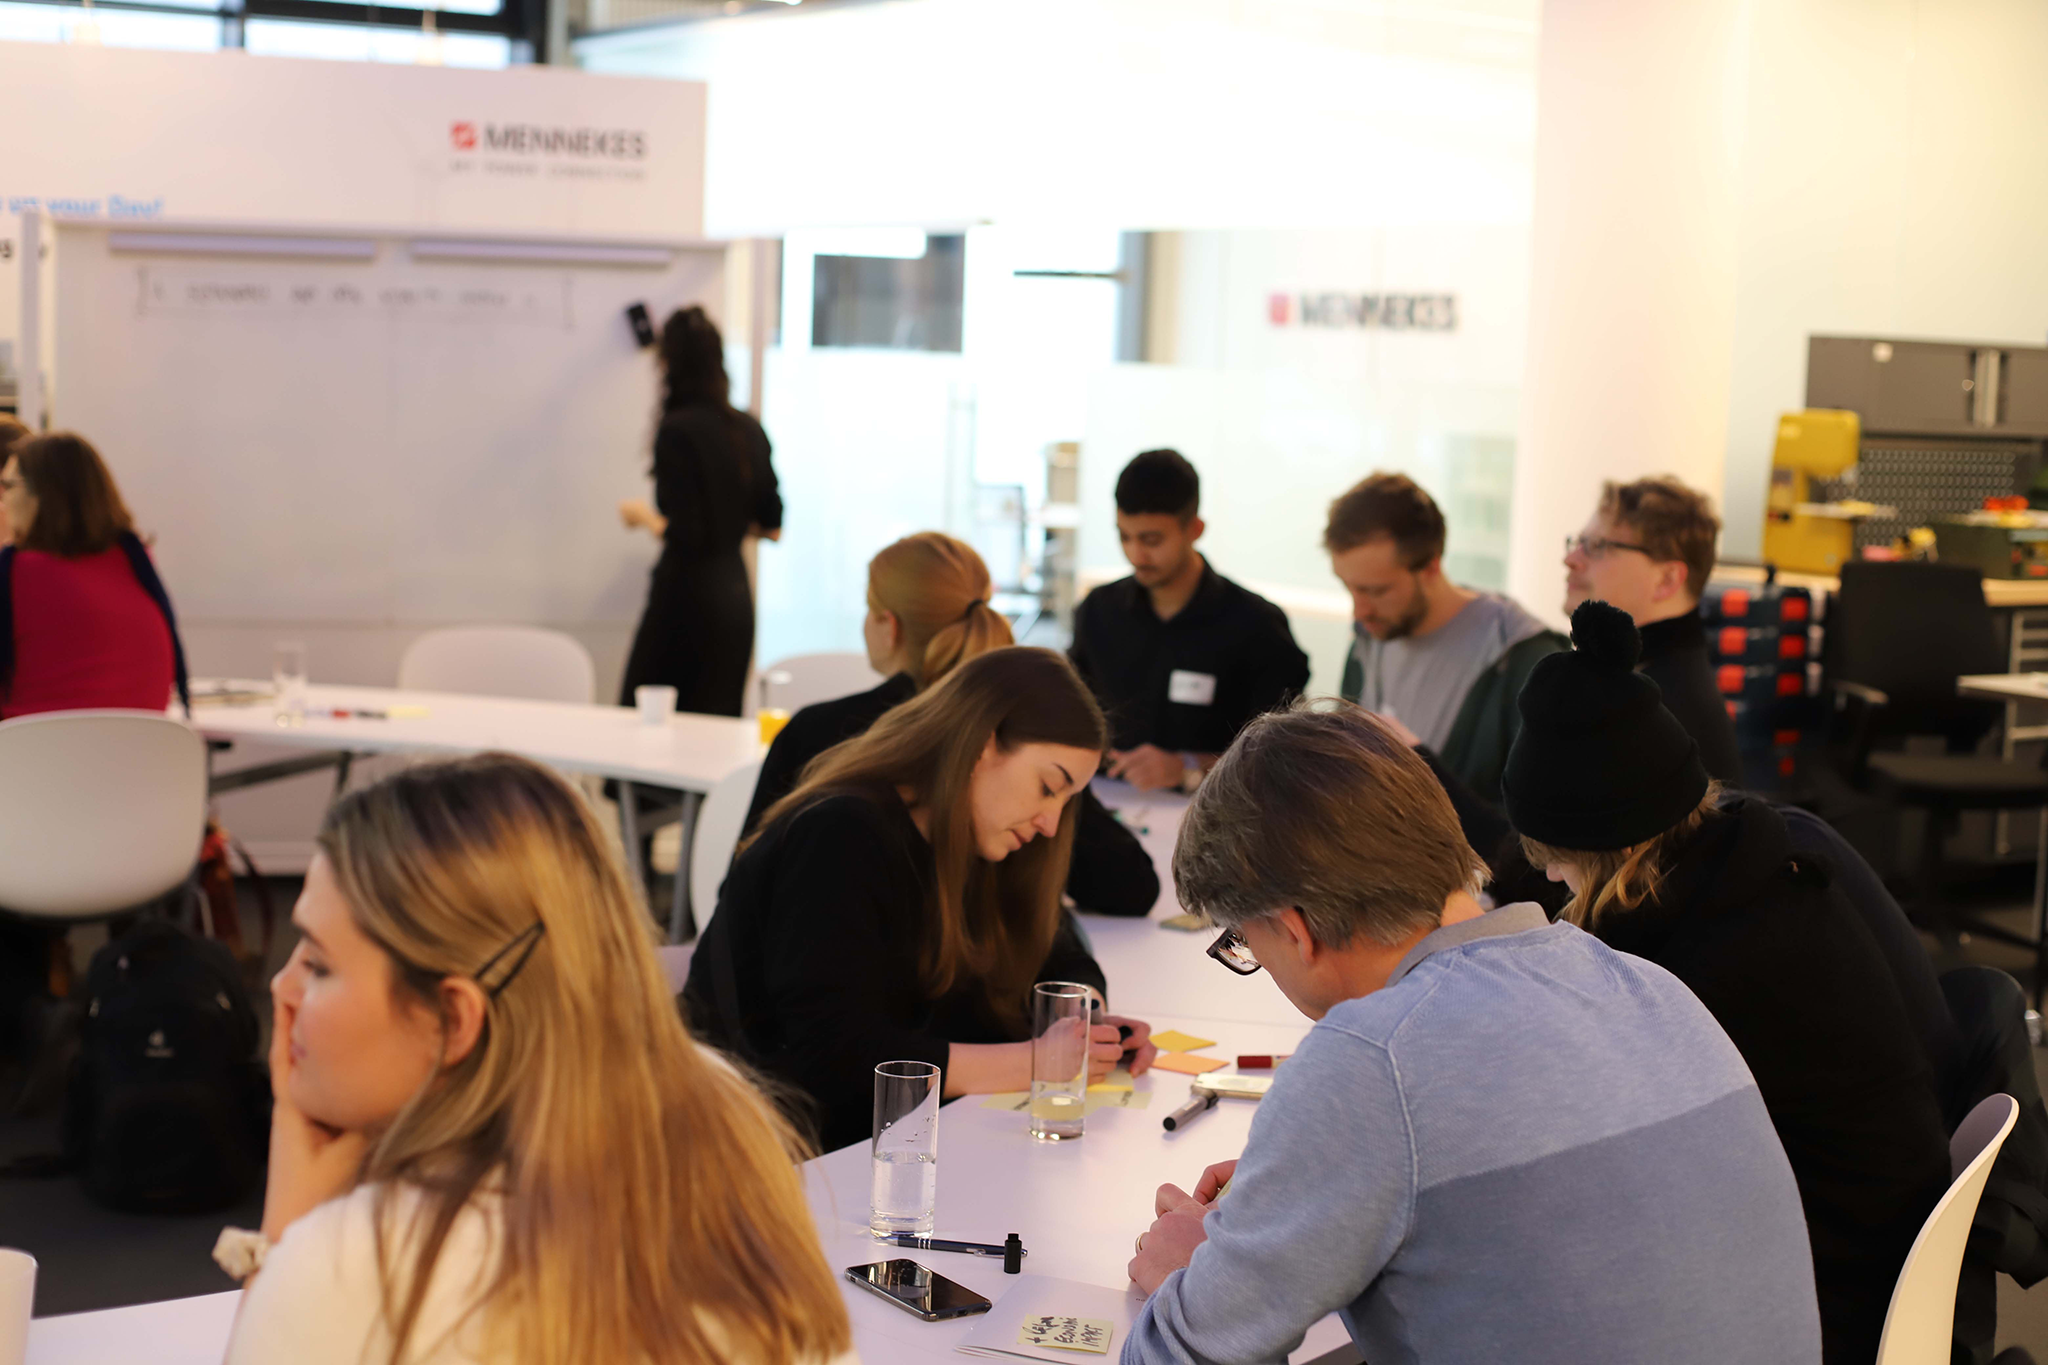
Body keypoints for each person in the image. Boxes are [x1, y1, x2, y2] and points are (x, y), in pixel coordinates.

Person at [1123, 701, 1821, 1365]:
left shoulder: (1373, 1058)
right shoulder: (1647, 986)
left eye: (1245, 944)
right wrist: (1312, 1191)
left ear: (1295, 929)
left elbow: (1182, 1355)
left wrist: (1190, 1271)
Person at [223, 754, 857, 1365]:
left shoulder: (355, 1267)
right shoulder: (720, 1118)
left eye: (319, 964)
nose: (281, 988)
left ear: (453, 1019)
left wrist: (287, 1228)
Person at [1504, 601, 1951, 1365]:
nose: (1548, 877)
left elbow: (1585, 1158)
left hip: (1821, 1296)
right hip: (1874, 1242)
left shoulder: (1697, 970)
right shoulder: (1754, 859)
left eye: (1556, 857)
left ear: (1611, 850)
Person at [685, 647, 1159, 1153]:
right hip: (761, 1149)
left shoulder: (988, 841)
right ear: (981, 745)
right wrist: (1039, 1061)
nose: (1050, 824)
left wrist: (1084, 1022)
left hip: (893, 1142)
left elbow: (1059, 955)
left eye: (1068, 803)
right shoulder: (838, 836)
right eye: (1048, 787)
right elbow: (837, 1058)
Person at [743, 531, 1158, 916]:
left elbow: (746, 883)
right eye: (1048, 790)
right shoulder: (1021, 733)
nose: (1047, 820)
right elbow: (1131, 885)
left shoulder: (817, 731)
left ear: (889, 626)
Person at [1069, 449, 1308, 793]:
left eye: (1152, 540)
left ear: (1195, 529)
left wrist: (1188, 768)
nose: (1137, 555)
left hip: (1215, 818)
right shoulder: (1097, 612)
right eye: (1124, 536)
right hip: (1108, 805)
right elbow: (1072, 713)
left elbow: (1279, 753)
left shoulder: (1257, 626)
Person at [1328, 472, 1564, 805]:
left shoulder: (1522, 658)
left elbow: (1534, 827)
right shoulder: (1372, 635)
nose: (1359, 611)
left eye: (1376, 591)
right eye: (1349, 587)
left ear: (1431, 568)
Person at [617, 306, 782, 718]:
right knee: (714, 724)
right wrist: (732, 522)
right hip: (734, 598)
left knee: (646, 720)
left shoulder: (677, 429)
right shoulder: (748, 428)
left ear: (669, 365)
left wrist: (642, 517)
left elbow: (686, 534)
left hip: (686, 597)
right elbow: (773, 527)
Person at [1563, 476, 1742, 780]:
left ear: (1667, 580)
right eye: (1578, 543)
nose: (1570, 560)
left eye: (1597, 546)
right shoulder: (1650, 684)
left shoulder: (1654, 713)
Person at [0, 431, 186, 719]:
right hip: (140, 758)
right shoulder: (136, 563)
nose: (3, 501)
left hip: (30, 758)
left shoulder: (16, 573)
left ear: (40, 495)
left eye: (8, 486)